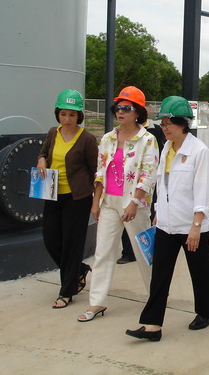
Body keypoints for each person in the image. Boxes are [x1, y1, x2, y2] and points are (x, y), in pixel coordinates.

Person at [126, 96, 209, 342]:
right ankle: (152, 326)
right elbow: (161, 183)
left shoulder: (199, 151)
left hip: (191, 225)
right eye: (162, 123)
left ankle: (205, 312)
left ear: (183, 123)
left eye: (169, 123)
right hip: (166, 224)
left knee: (200, 271)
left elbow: (202, 191)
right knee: (160, 275)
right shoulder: (166, 148)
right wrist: (157, 212)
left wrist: (196, 226)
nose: (164, 127)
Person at [77, 86, 159, 322]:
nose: (120, 112)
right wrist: (96, 202)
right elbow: (100, 172)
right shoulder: (108, 138)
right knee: (103, 252)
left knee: (144, 254)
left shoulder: (148, 140)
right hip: (109, 203)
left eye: (127, 108)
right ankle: (97, 302)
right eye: (118, 107)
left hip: (135, 205)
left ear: (138, 112)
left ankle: (156, 298)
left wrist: (134, 202)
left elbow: (149, 174)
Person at [37, 89, 98, 309]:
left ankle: (66, 291)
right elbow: (44, 152)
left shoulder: (87, 139)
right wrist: (41, 160)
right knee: (51, 240)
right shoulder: (53, 133)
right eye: (63, 114)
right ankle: (79, 270)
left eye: (72, 114)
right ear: (58, 114)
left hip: (77, 198)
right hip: (53, 194)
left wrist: (95, 200)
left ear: (79, 115)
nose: (67, 119)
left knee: (72, 244)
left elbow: (95, 170)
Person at [118, 118, 167, 264]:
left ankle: (149, 251)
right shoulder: (121, 132)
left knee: (146, 218)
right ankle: (128, 252)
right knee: (125, 216)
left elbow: (159, 154)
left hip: (148, 182)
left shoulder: (154, 131)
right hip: (128, 184)